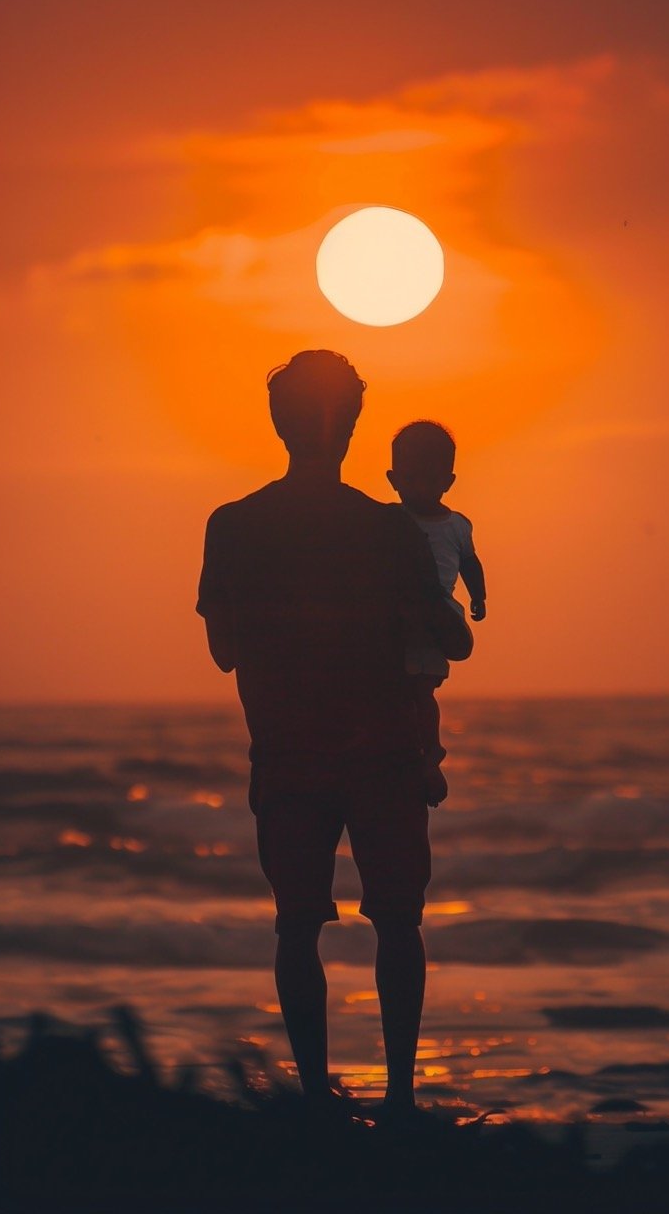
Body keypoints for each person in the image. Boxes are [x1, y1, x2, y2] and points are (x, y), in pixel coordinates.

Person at [196, 350, 471, 1123]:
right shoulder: (389, 532)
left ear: (278, 425)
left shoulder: (235, 525)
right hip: (382, 752)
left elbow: (222, 651)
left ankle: (315, 1098)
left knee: (296, 925)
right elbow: (447, 643)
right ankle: (399, 1099)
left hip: (286, 752)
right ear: (351, 426)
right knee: (397, 921)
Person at [387, 421, 486, 805]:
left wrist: (479, 598)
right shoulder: (391, 520)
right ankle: (408, 746)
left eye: (429, 480)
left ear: (448, 480)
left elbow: (470, 563)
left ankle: (431, 752)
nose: (420, 489)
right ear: (393, 479)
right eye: (410, 479)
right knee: (398, 686)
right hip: (396, 613)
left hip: (437, 615)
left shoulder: (457, 525)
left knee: (423, 689)